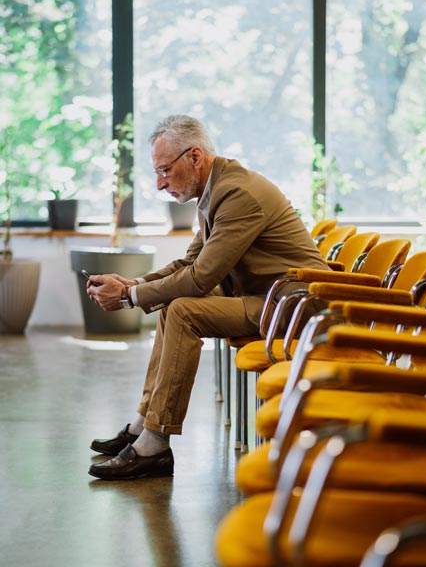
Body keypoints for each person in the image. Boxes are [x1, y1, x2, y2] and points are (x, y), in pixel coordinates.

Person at [87, 114, 329, 480]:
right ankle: (144, 426)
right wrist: (132, 284)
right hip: (267, 298)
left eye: (165, 170)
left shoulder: (238, 194)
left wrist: (129, 297)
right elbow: (189, 262)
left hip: (294, 307)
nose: (159, 184)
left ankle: (154, 445)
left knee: (184, 309)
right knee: (174, 304)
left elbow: (201, 278)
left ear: (195, 157)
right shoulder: (217, 188)